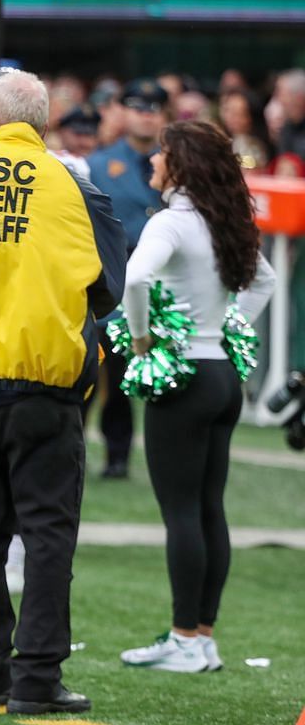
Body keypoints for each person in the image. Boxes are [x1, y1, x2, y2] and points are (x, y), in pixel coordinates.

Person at [0, 70, 125, 715]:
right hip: (45, 386)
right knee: (46, 534)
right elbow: (109, 290)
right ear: (43, 126)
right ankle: (36, 680)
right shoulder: (75, 184)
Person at [119, 122, 275, 673]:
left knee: (182, 512)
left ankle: (185, 639)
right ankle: (201, 637)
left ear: (180, 164)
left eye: (161, 154)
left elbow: (135, 278)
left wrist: (143, 339)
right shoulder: (224, 220)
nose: (154, 163)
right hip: (223, 376)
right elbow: (265, 283)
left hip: (183, 379)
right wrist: (226, 327)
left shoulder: (173, 222)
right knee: (209, 508)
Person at [87, 78, 166, 479]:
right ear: (124, 112)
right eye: (138, 108)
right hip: (109, 276)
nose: (146, 116)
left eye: (153, 109)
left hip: (158, 283)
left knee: (135, 375)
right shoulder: (100, 164)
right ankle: (75, 445)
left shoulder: (171, 163)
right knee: (91, 365)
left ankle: (121, 454)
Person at [219, 89, 271, 173]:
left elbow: (250, 172)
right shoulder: (223, 141)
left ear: (250, 117)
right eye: (228, 110)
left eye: (238, 113)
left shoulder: (254, 147)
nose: (231, 117)